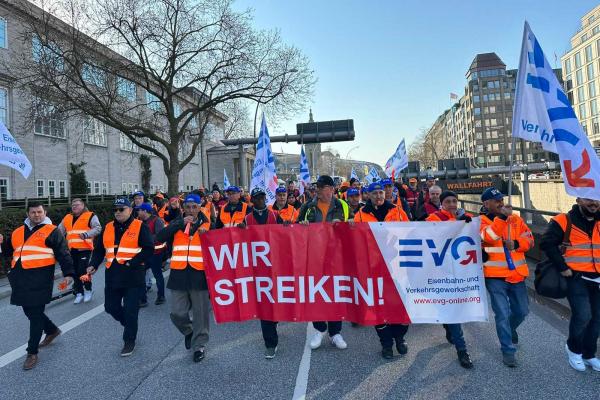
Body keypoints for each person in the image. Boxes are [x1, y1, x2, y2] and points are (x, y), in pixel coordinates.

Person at [0, 202, 74, 370]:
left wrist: (69, 273)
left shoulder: (52, 231)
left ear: (44, 212)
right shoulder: (18, 231)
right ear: (28, 213)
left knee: (35, 315)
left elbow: (63, 253)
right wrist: (2, 242)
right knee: (30, 311)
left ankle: (31, 352)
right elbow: (8, 251)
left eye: (39, 212)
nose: (36, 215)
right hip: (20, 278)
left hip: (41, 278)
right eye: (33, 212)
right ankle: (52, 330)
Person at [88, 198, 154, 357]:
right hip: (113, 275)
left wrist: (133, 262)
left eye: (121, 209)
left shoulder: (140, 226)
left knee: (131, 311)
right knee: (110, 307)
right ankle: (129, 324)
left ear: (130, 210)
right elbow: (99, 250)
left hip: (133, 275)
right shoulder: (108, 227)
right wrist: (94, 264)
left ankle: (129, 340)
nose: (117, 212)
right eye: (115, 210)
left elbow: (148, 249)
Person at [540, 197, 600, 372]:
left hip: (598, 278)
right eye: (589, 199)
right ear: (578, 199)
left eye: (597, 199)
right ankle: (574, 350)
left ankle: (589, 354)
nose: (594, 203)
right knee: (583, 315)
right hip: (576, 277)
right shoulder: (563, 220)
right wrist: (563, 267)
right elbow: (546, 243)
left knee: (597, 319)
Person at [354, 182, 409, 359]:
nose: (379, 195)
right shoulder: (360, 216)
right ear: (368, 195)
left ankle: (400, 337)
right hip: (373, 269)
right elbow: (355, 241)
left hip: (397, 268)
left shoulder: (398, 212)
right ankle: (386, 344)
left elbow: (410, 233)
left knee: (401, 306)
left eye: (381, 192)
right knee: (378, 310)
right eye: (375, 193)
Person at [480, 187, 533, 367]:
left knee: (522, 311)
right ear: (486, 204)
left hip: (517, 275)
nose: (501, 202)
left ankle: (510, 329)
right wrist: (502, 218)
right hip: (495, 277)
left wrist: (517, 243)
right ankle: (507, 349)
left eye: (501, 199)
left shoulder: (516, 219)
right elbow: (489, 236)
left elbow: (530, 239)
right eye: (496, 200)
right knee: (501, 313)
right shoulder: (481, 221)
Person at [298, 175, 353, 350]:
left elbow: (353, 228)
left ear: (330, 189)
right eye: (318, 188)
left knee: (336, 292)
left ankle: (335, 332)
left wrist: (349, 223)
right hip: (313, 257)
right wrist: (302, 225)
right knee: (316, 293)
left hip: (336, 257)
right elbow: (296, 229)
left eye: (322, 188)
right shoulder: (308, 207)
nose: (318, 191)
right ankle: (319, 329)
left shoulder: (342, 206)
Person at [156, 194, 211, 362]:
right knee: (177, 313)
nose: (191, 210)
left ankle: (199, 346)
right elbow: (160, 237)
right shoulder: (177, 222)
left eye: (194, 207)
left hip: (199, 274)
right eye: (188, 207)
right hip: (179, 274)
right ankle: (189, 332)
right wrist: (180, 223)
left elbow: (223, 242)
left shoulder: (208, 224)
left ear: (200, 207)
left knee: (200, 314)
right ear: (183, 208)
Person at [426, 191, 474, 369]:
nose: (452, 204)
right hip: (442, 272)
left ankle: (448, 324)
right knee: (454, 311)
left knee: (454, 309)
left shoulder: (466, 217)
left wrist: (469, 224)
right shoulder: (433, 218)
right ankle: (462, 350)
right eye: (448, 201)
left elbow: (480, 237)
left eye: (455, 201)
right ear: (442, 203)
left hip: (461, 272)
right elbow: (434, 237)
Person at [242, 188, 283, 358]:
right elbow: (240, 241)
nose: (260, 200)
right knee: (265, 306)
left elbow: (287, 236)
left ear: (265, 198)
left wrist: (287, 226)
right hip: (258, 269)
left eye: (262, 197)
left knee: (277, 301)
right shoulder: (247, 219)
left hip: (276, 267)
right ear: (252, 200)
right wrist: (239, 231)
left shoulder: (274, 216)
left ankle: (275, 321)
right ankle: (270, 343)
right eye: (256, 198)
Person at [57, 198, 101, 304]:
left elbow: (98, 228)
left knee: (83, 270)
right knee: (74, 272)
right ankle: (79, 293)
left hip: (84, 248)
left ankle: (88, 290)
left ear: (83, 205)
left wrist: (86, 234)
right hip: (71, 250)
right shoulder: (67, 217)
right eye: (73, 205)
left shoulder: (90, 215)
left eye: (77, 204)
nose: (74, 206)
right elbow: (59, 232)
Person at [136, 203, 167, 306]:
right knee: (140, 273)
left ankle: (161, 296)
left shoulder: (157, 220)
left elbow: (160, 235)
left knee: (157, 274)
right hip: (144, 253)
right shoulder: (139, 221)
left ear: (145, 211)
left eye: (139, 210)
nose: (137, 212)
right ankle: (142, 299)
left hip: (156, 253)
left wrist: (146, 239)